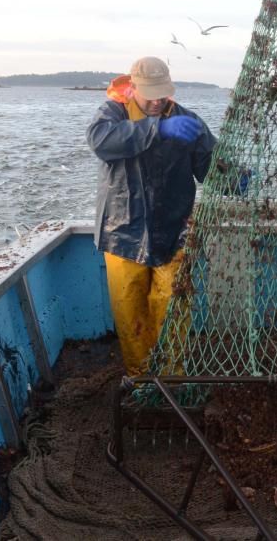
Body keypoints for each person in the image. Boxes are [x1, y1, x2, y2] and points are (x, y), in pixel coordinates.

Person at [87, 56, 216, 375]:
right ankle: (141, 379)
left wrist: (233, 176)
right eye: (150, 93)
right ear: (132, 88)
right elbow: (101, 141)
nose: (157, 101)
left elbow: (210, 167)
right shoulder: (112, 114)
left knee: (173, 305)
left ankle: (172, 377)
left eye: (162, 93)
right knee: (131, 314)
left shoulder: (188, 121)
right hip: (122, 232)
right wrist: (158, 129)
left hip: (174, 230)